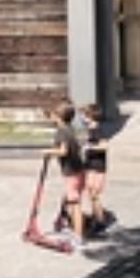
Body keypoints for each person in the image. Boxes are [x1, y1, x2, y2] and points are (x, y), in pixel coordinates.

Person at [49, 101, 86, 241]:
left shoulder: (61, 131)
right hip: (79, 170)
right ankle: (70, 226)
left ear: (58, 116)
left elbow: (63, 151)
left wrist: (48, 152)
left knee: (74, 205)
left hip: (71, 173)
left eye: (53, 114)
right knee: (69, 201)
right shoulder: (70, 129)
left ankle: (78, 236)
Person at [80, 104, 111, 236]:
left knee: (94, 194)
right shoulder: (90, 129)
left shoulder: (98, 129)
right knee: (91, 192)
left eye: (84, 115)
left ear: (90, 116)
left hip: (98, 166)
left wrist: (89, 148)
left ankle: (100, 220)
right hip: (90, 165)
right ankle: (96, 218)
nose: (82, 118)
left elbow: (104, 146)